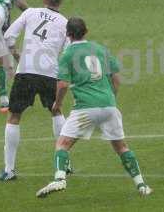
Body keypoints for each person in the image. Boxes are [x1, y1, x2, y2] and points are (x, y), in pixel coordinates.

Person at [36, 17, 153, 197]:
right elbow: (116, 78)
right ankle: (142, 185)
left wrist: (57, 104)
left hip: (85, 108)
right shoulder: (100, 49)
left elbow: (63, 85)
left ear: (68, 34)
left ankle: (59, 179)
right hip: (108, 106)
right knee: (121, 147)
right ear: (87, 31)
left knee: (62, 144)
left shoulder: (67, 54)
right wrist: (110, 99)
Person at [0, 0, 69, 181]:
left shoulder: (30, 12)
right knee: (56, 111)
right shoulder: (64, 23)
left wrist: (18, 54)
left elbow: (8, 36)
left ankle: (9, 170)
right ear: (60, 2)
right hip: (49, 73)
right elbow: (68, 52)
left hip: (26, 70)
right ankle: (65, 164)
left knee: (14, 117)